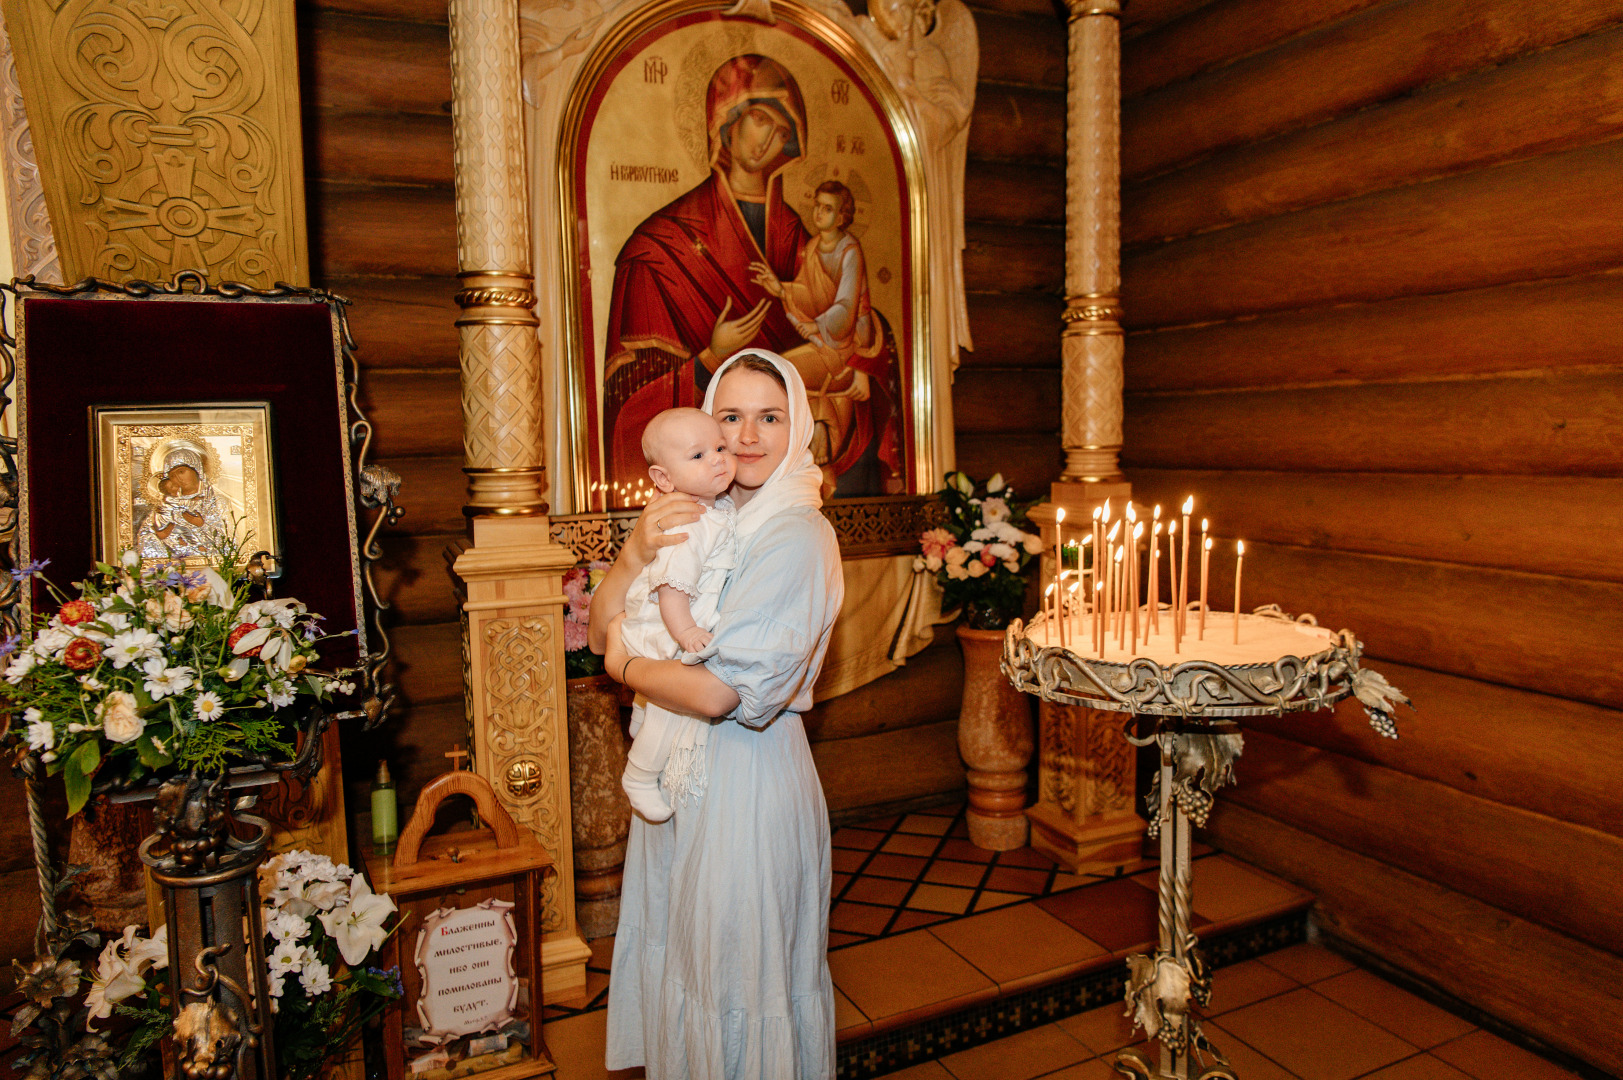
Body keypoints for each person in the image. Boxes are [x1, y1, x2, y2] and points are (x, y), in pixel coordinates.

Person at [591, 350, 842, 1078]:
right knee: (690, 970)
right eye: (729, 416)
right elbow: (608, 614)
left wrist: (626, 667)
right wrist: (636, 551)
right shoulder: (709, 514)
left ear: (799, 425)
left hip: (748, 779)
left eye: (770, 416)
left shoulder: (793, 533)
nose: (747, 435)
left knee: (738, 979)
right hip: (685, 774)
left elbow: (721, 693)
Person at [601, 54, 904, 498]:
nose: (769, 139)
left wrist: (837, 383)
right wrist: (710, 358)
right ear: (727, 120)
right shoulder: (660, 246)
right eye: (761, 118)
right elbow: (628, 404)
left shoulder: (800, 238)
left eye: (782, 130)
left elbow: (843, 321)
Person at [619, 407, 738, 823]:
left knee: (659, 699)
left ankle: (640, 711)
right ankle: (639, 774)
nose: (719, 459)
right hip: (668, 625)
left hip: (672, 619)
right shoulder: (687, 522)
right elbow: (672, 589)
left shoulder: (711, 508)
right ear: (664, 479)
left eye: (720, 447)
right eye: (699, 455)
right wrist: (686, 632)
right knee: (674, 708)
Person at [750, 180, 896, 497]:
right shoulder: (814, 246)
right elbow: (808, 292)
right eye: (816, 205)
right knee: (784, 371)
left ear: (842, 216)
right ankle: (813, 443)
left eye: (826, 208)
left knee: (788, 372)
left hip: (846, 346)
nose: (818, 212)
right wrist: (782, 290)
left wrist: (818, 327)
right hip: (825, 340)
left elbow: (846, 305)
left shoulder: (850, 250)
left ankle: (817, 448)